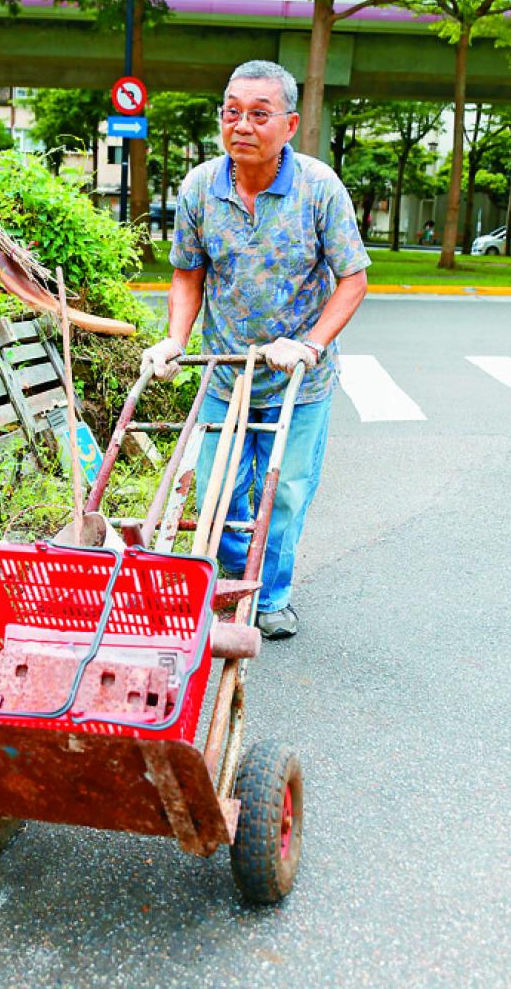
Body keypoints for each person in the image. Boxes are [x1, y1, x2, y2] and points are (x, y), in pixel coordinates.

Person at [140, 60, 370, 640]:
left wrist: (311, 345)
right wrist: (174, 339)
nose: (242, 125)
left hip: (300, 379)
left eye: (259, 114)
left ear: (289, 125)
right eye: (232, 112)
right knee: (216, 488)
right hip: (226, 376)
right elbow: (187, 275)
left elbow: (353, 280)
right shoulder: (199, 188)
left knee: (286, 491)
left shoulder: (319, 188)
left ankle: (272, 596)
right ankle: (241, 564)